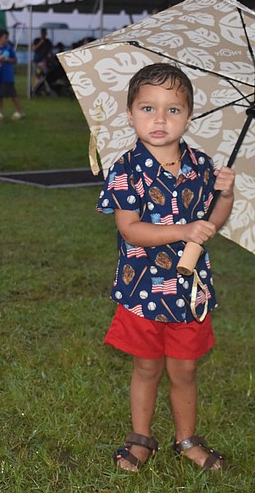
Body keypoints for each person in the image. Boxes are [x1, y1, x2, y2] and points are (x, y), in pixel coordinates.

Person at [97, 63, 235, 473]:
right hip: (142, 289)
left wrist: (225, 194)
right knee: (146, 365)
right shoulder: (125, 169)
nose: (159, 119)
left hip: (190, 293)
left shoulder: (202, 165)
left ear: (189, 116)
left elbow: (214, 219)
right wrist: (184, 229)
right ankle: (140, 437)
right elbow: (131, 229)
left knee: (186, 368)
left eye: (173, 110)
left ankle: (187, 439)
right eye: (147, 108)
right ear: (130, 113)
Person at [0, 29, 23, 121]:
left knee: (12, 94)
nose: (7, 39)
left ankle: (19, 111)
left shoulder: (9, 48)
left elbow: (15, 60)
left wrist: (7, 59)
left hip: (7, 76)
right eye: (5, 37)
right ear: (0, 38)